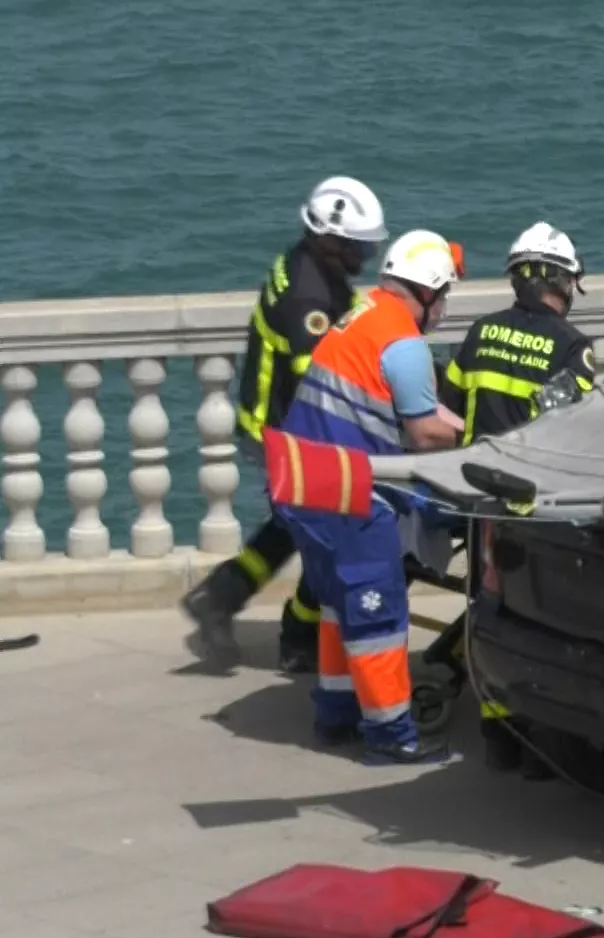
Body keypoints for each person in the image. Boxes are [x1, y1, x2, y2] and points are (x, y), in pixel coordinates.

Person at [273, 229, 466, 764]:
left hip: (304, 482)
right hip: (346, 496)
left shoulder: (360, 313)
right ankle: (392, 736)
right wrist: (473, 434)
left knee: (339, 607)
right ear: (426, 291)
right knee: (378, 616)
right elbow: (426, 433)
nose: (445, 306)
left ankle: (336, 714)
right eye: (444, 294)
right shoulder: (403, 342)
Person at [182, 176, 388, 673]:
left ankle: (221, 597)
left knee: (291, 529)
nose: (364, 255)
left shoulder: (308, 266)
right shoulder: (307, 300)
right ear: (328, 238)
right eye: (356, 245)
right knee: (324, 531)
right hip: (287, 430)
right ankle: (297, 638)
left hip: (277, 423)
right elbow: (322, 378)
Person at [440, 221, 597, 776]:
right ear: (559, 282)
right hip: (537, 511)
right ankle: (540, 739)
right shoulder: (571, 349)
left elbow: (450, 407)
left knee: (487, 610)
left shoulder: (480, 334)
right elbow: (578, 430)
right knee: (543, 623)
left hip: (479, 502)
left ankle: (498, 732)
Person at [442, 221, 597, 444]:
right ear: (564, 281)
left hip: (471, 469)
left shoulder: (481, 330)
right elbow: (576, 423)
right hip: (531, 473)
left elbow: (451, 400)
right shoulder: (572, 345)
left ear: (516, 280)